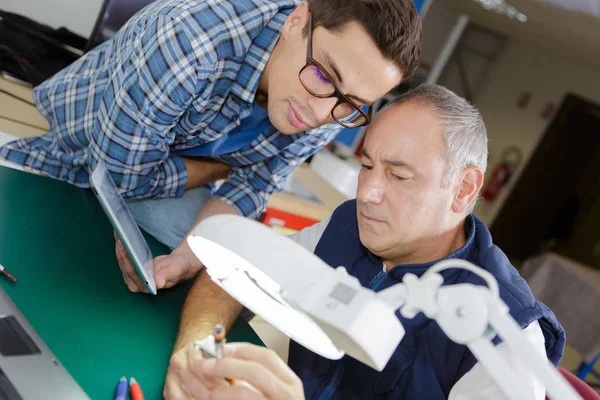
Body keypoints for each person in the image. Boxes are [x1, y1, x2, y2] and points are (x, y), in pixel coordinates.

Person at [162, 85, 565, 399]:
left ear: (463, 189)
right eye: (367, 166)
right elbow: (232, 275)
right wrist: (198, 355)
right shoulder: (347, 228)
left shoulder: (504, 334)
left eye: (398, 176)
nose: (368, 193)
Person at [0, 0, 421, 293]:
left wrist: (187, 257)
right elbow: (120, 178)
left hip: (154, 174)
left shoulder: (333, 102)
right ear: (297, 20)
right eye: (326, 76)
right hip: (72, 156)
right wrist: (217, 169)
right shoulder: (189, 42)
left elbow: (253, 186)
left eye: (352, 104)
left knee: (226, 272)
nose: (319, 114)